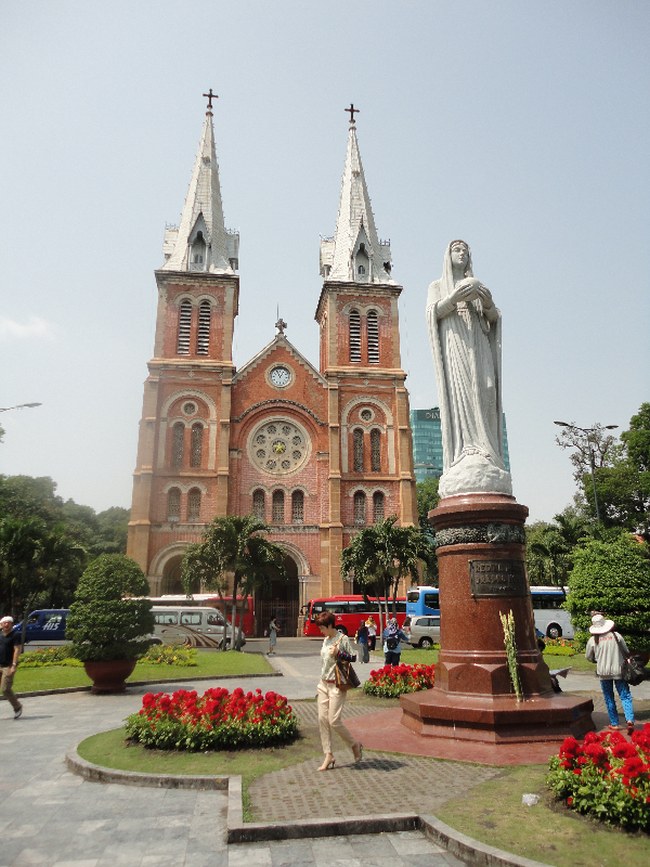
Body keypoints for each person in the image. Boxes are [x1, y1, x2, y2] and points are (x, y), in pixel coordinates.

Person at [426, 239, 511, 498]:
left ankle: (487, 449)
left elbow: (494, 318)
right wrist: (452, 299)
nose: (461, 254)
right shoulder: (438, 286)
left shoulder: (479, 286)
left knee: (486, 388)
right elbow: (432, 313)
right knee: (463, 393)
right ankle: (467, 449)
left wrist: (487, 304)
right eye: (456, 250)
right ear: (447, 255)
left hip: (480, 344)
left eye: (465, 251)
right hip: (456, 345)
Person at [315, 611, 363, 771]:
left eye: (322, 628)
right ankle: (328, 755)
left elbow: (354, 657)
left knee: (333, 720)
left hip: (337, 685)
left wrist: (339, 653)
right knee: (322, 719)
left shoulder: (342, 639)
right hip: (323, 684)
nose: (321, 631)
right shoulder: (325, 639)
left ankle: (354, 745)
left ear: (330, 625)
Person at [585, 613, 635, 734]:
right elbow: (626, 651)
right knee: (625, 695)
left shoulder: (593, 640)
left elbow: (588, 657)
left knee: (609, 697)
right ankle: (629, 720)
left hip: (603, 673)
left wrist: (596, 659)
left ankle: (614, 723)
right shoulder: (616, 636)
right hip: (619, 671)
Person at [0, 615, 23, 719]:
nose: (6, 624)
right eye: (4, 623)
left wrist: (13, 665)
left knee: (5, 689)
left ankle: (17, 707)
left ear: (11, 624)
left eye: (8, 623)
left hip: (8, 666)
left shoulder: (15, 635)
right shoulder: (0, 636)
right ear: (1, 625)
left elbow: (17, 650)